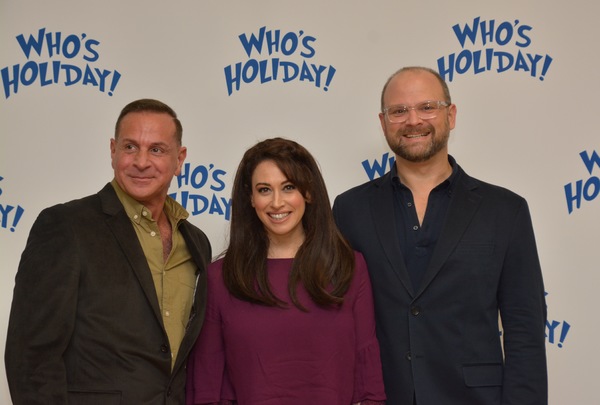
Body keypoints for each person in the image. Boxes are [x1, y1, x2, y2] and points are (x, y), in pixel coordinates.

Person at [332, 67, 548, 405]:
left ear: (451, 115)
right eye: (399, 111)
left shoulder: (506, 211)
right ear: (383, 121)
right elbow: (337, 322)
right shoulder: (349, 209)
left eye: (427, 107)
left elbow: (525, 331)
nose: (413, 120)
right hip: (382, 396)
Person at [5, 98, 212, 405]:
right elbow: (31, 357)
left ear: (179, 159)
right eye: (130, 147)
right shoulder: (66, 226)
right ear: (113, 151)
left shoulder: (195, 242)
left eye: (156, 149)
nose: (141, 161)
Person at [186, 137, 386, 405]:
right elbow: (206, 389)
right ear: (251, 198)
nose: (277, 202)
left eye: (288, 187)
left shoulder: (349, 267)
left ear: (308, 193)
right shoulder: (221, 278)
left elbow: (369, 384)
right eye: (265, 189)